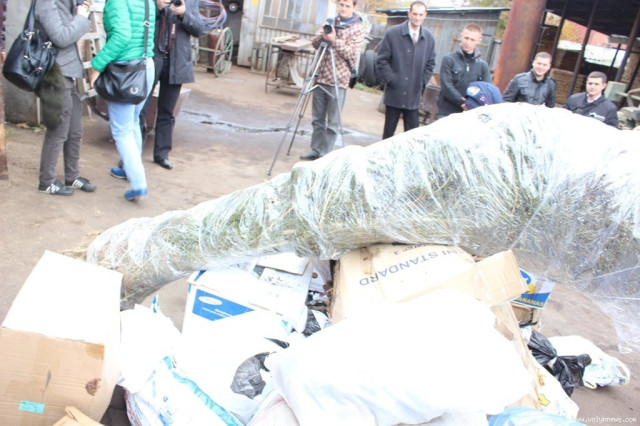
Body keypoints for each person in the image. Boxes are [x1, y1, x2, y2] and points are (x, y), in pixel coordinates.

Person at [89, 0, 156, 201]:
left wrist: (97, 65)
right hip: (146, 66)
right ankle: (130, 169)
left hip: (126, 72)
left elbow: (121, 36)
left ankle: (139, 184)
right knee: (133, 121)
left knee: (122, 131)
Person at [34, 0, 95, 196]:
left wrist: (80, 12)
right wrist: (81, 18)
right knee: (58, 130)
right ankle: (47, 182)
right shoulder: (46, 3)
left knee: (75, 130)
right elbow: (61, 37)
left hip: (68, 73)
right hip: (55, 74)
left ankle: (72, 176)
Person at [299, 0, 366, 161]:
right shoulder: (330, 21)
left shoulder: (358, 27)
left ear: (354, 7)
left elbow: (351, 53)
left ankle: (325, 156)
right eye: (341, 4)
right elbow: (315, 44)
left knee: (333, 123)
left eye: (347, 6)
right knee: (317, 119)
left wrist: (334, 40)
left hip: (339, 80)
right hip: (321, 77)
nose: (343, 8)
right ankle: (316, 150)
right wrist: (323, 35)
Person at [143, 0, 205, 170]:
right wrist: (158, 8)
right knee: (140, 109)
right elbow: (141, 21)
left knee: (167, 111)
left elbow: (199, 29)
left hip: (176, 63)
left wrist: (184, 14)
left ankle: (162, 154)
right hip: (152, 58)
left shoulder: (189, 2)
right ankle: (132, 153)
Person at [376, 1, 436, 140]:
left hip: (413, 95)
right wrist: (392, 79)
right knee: (388, 136)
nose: (417, 18)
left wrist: (421, 82)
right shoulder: (393, 33)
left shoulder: (429, 38)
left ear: (425, 15)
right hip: (394, 94)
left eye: (420, 15)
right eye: (414, 14)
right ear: (409, 13)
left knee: (412, 137)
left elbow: (431, 63)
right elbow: (382, 60)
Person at [436, 23, 491, 119]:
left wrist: (471, 104)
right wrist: (463, 102)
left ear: (479, 41)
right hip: (447, 111)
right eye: (466, 38)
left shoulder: (482, 66)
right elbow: (446, 86)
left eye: (472, 40)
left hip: (470, 114)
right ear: (461, 36)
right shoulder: (449, 59)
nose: (468, 42)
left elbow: (487, 90)